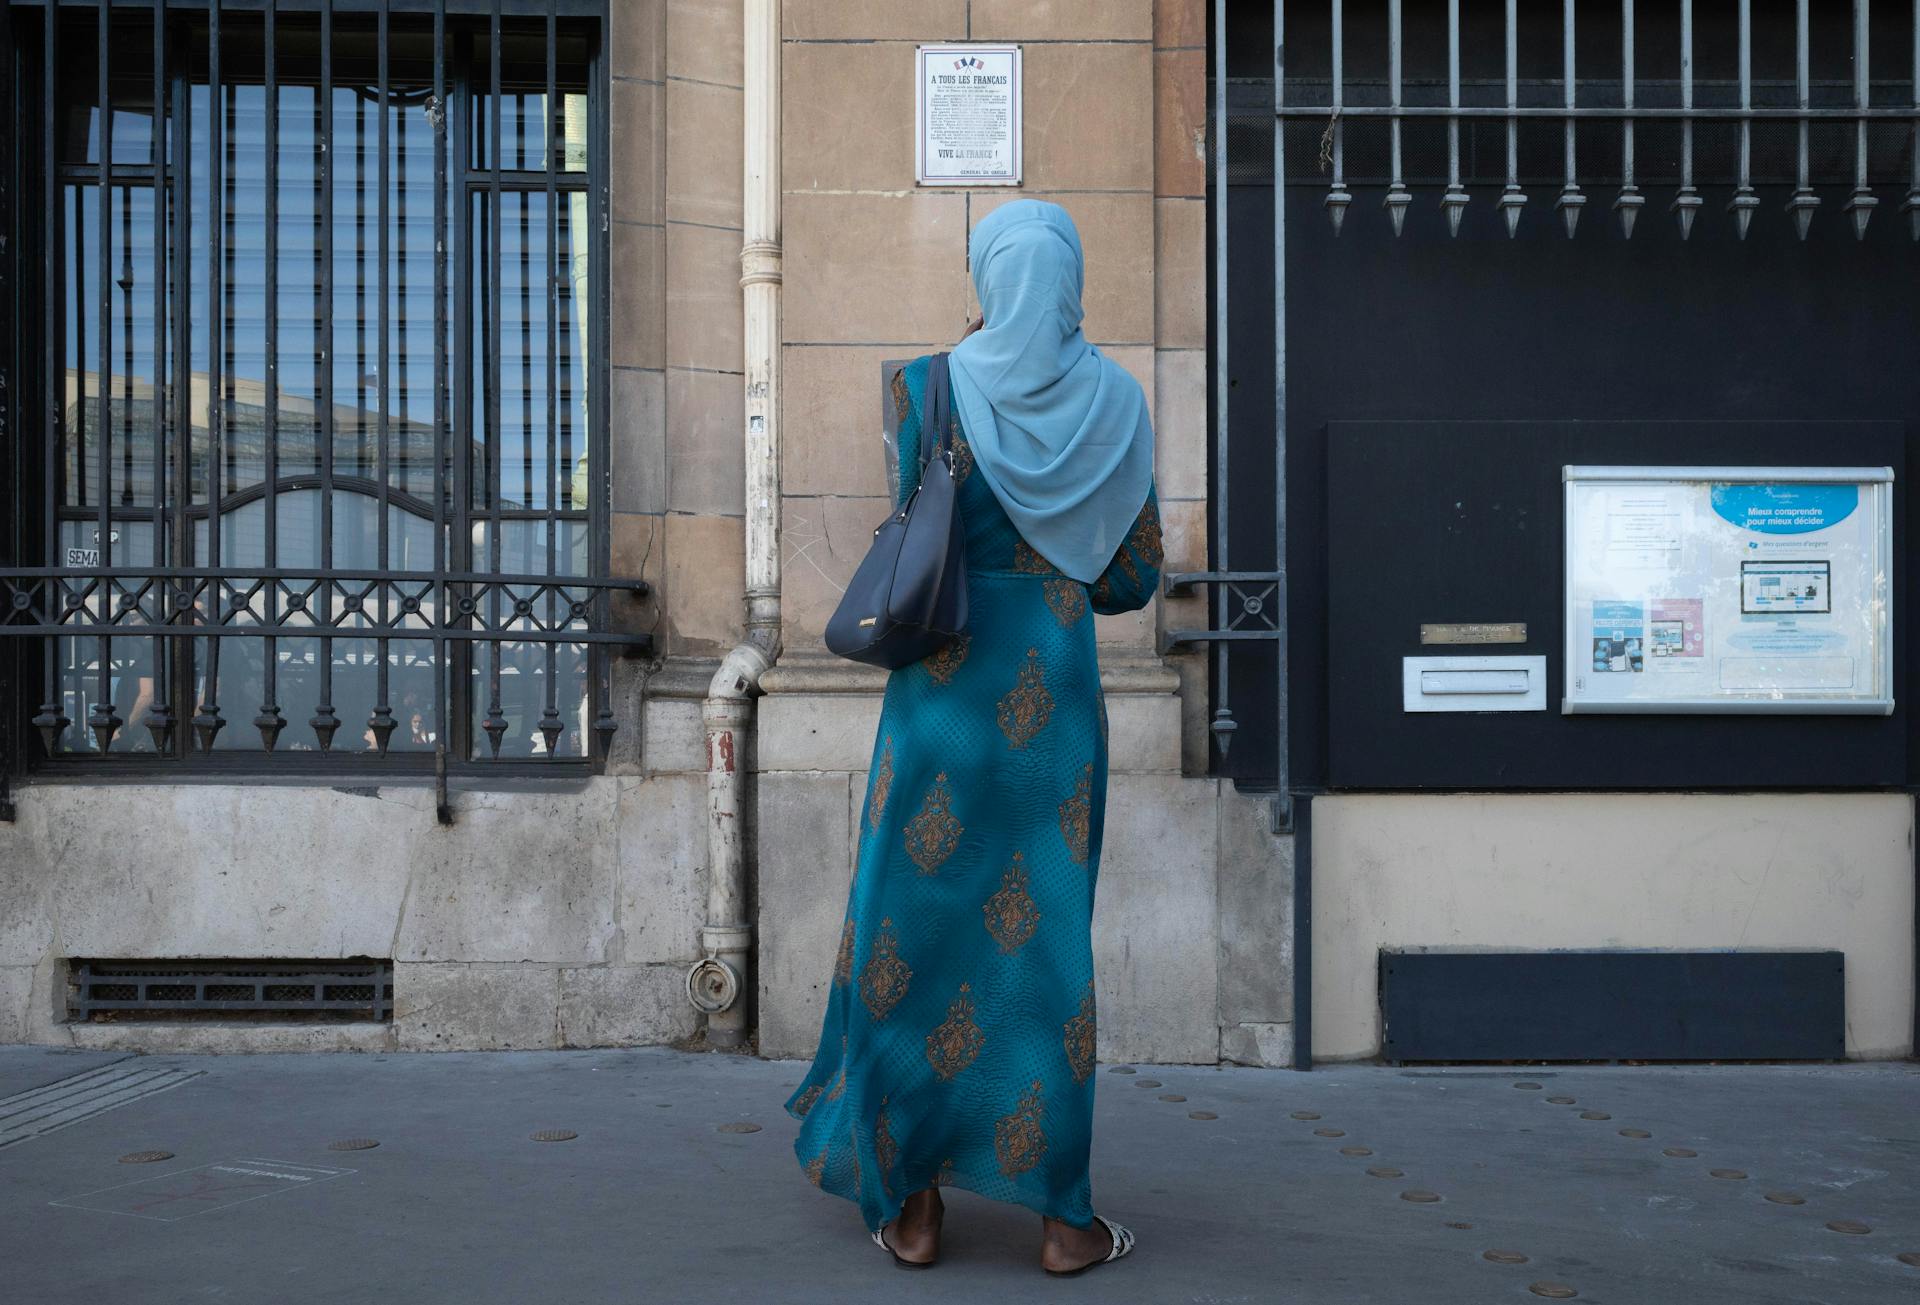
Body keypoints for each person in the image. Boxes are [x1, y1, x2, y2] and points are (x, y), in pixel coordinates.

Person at [783, 199, 1162, 1277]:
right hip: (1053, 722)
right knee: (1044, 956)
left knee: (916, 939)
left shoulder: (925, 388)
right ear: (1073, 279)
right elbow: (1132, 578)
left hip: (938, 710)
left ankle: (913, 1210)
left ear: (989, 280)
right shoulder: (1121, 402)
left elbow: (915, 533)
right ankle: (1063, 1223)